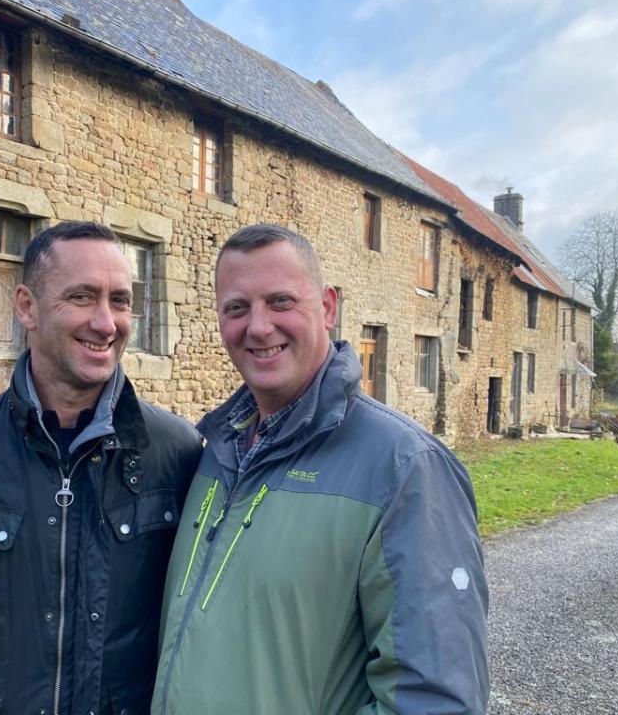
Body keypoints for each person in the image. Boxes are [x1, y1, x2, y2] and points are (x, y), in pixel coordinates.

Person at [152, 224, 489, 714]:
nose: (259, 326)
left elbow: (435, 703)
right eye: (237, 308)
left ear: (328, 307)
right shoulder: (214, 452)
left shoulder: (406, 469)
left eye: (281, 301)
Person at [0, 221, 202, 715]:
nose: (106, 323)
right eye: (82, 297)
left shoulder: (179, 453)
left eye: (120, 301)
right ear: (26, 307)